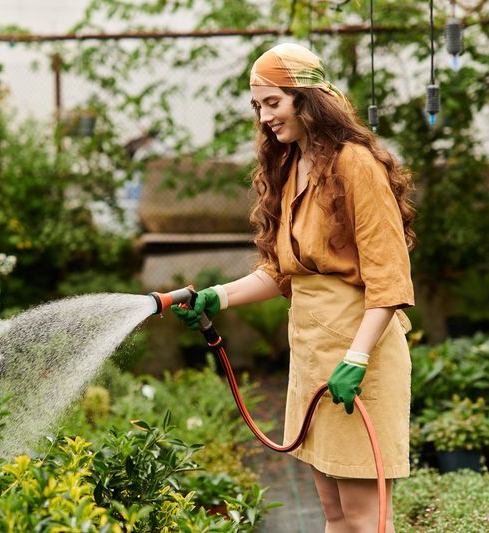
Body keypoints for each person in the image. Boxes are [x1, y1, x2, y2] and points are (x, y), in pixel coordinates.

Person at [172, 42, 416, 533]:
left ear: (307, 98)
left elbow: (390, 280)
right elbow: (282, 272)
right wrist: (217, 296)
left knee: (368, 519)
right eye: (257, 106)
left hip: (356, 360)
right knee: (335, 516)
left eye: (273, 103)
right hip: (311, 359)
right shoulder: (291, 167)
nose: (264, 118)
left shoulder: (356, 164)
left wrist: (357, 359)